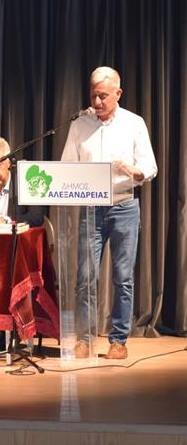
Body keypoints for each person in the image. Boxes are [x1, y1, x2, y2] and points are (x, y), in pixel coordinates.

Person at [61, 66, 157, 360]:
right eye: (94, 95)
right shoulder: (80, 124)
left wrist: (129, 169)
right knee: (85, 278)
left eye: (103, 96)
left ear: (118, 93)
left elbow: (150, 168)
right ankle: (85, 339)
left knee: (123, 278)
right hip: (91, 208)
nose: (97, 101)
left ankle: (118, 341)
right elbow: (67, 167)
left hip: (124, 205)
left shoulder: (134, 123)